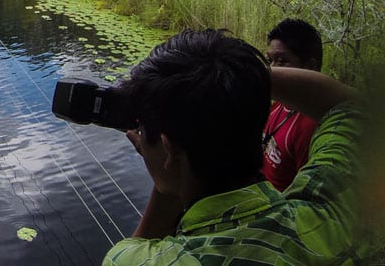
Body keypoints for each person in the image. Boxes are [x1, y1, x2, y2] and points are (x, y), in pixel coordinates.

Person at [102, 29, 361, 265]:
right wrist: (238, 80)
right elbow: (350, 108)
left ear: (169, 151)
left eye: (144, 130)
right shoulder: (332, 217)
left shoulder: (139, 261)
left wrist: (171, 180)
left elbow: (137, 247)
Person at [263, 18, 323, 191]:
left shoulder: (310, 126)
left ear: (310, 67)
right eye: (270, 61)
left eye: (282, 61)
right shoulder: (280, 105)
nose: (272, 70)